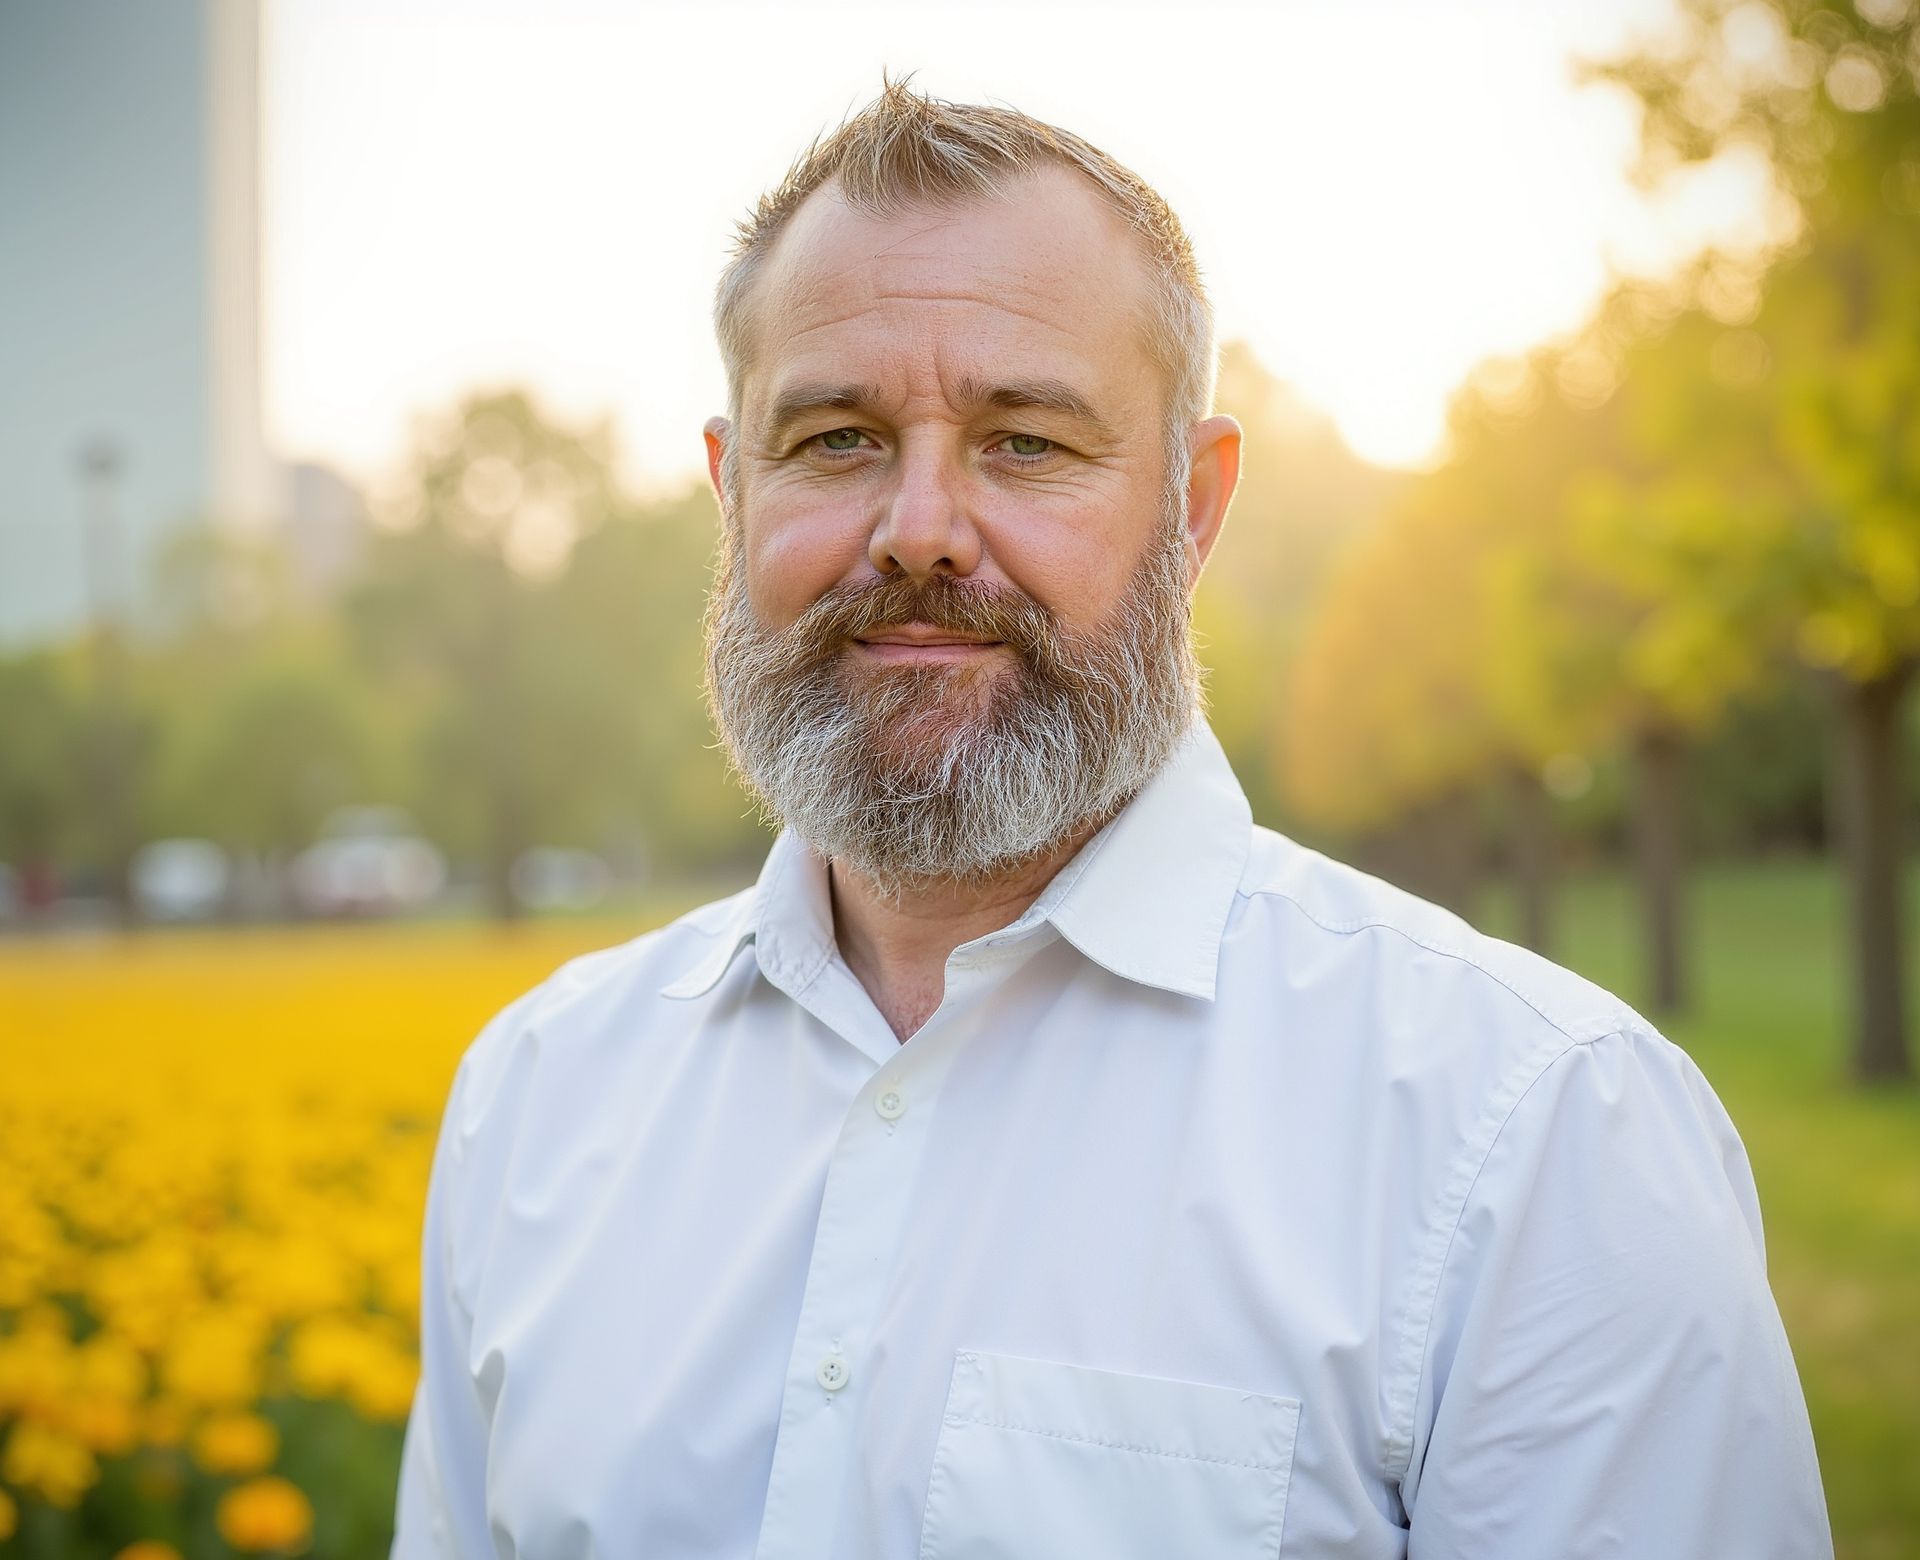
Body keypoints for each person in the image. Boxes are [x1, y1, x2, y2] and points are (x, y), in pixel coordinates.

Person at [392, 82, 1831, 1559]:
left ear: (1192, 509)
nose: (921, 527)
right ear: (731, 492)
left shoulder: (1534, 1136)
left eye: (1026, 443)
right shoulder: (538, 1100)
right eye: (833, 439)